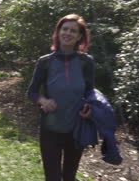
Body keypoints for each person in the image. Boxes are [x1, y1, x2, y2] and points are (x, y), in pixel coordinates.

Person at [27, 14, 94, 181]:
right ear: (58, 32)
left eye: (73, 31)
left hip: (76, 128)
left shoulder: (86, 62)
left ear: (79, 36)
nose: (68, 33)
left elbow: (90, 93)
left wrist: (89, 109)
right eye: (65, 29)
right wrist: (43, 101)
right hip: (50, 129)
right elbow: (32, 92)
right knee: (53, 177)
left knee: (70, 176)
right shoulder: (45, 62)